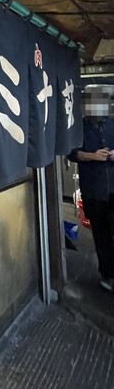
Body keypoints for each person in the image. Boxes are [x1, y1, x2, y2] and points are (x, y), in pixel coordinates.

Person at [68, 86, 114, 291]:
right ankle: (107, 275)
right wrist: (92, 156)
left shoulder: (112, 124)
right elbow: (71, 153)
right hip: (94, 190)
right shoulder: (79, 128)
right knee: (101, 234)